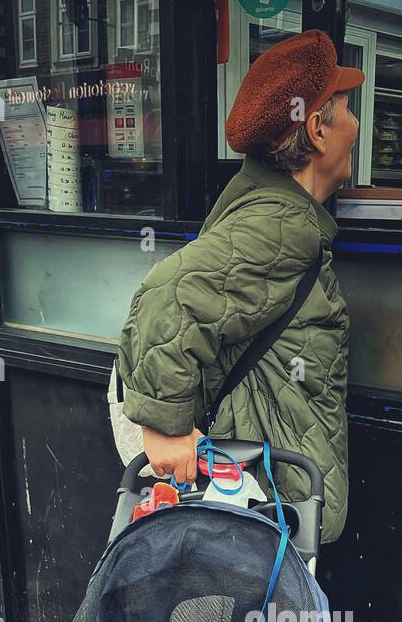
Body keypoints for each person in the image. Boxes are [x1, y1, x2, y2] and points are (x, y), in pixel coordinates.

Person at [115, 30, 364, 544]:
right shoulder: (281, 227)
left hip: (259, 504)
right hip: (260, 512)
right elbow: (170, 295)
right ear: (318, 130)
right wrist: (166, 427)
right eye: (348, 108)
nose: (357, 126)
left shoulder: (269, 209)